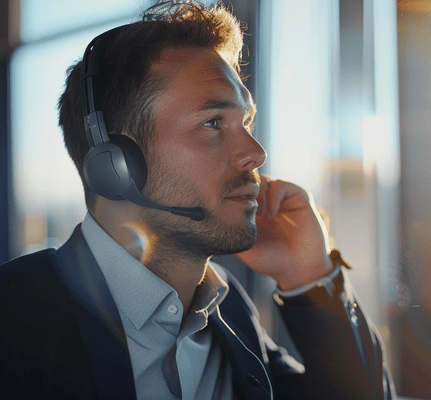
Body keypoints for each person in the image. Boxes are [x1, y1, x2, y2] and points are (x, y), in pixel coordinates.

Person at [0, 2, 395, 399]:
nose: (256, 154)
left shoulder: (228, 314)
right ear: (115, 164)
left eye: (247, 123)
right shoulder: (14, 318)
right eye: (212, 124)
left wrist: (311, 276)